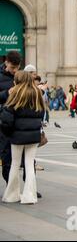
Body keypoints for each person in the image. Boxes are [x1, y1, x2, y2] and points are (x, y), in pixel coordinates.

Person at [0, 71, 45, 204]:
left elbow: (7, 117)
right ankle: (29, 196)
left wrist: (7, 132)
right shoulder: (37, 93)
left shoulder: (15, 93)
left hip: (16, 135)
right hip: (33, 135)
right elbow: (42, 113)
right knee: (29, 164)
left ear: (16, 81)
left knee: (15, 164)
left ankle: (12, 195)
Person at [0, 51, 21, 184]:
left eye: (17, 68)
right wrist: (7, 93)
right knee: (6, 156)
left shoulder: (20, 76)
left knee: (24, 158)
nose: (14, 71)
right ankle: (11, 187)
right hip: (4, 121)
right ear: (6, 62)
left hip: (19, 122)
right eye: (12, 68)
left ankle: (30, 188)